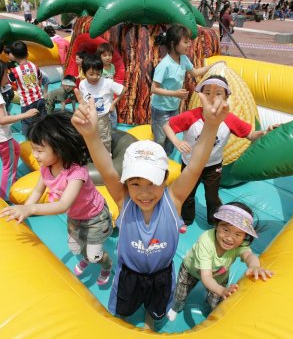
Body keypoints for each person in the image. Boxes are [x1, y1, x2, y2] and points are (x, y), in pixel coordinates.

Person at [71, 82, 229, 330]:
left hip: (161, 275)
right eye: (135, 183)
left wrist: (211, 127)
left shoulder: (173, 200)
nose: (144, 192)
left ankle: (149, 322)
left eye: (152, 183)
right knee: (123, 313)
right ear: (126, 184)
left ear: (165, 180)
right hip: (129, 275)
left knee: (154, 313)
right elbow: (106, 168)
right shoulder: (124, 200)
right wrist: (91, 135)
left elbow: (197, 165)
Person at [0, 112, 114, 285]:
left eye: (39, 150)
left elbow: (63, 204)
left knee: (95, 254)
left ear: (59, 148)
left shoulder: (76, 173)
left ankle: (106, 265)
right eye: (33, 149)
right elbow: (38, 191)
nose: (35, 155)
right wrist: (24, 210)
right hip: (76, 217)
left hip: (95, 217)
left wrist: (30, 209)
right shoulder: (46, 167)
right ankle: (87, 258)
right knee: (76, 247)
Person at [163, 75, 279, 227]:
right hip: (191, 164)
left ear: (226, 98)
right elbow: (167, 125)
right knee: (188, 194)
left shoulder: (229, 119)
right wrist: (177, 141)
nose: (212, 97)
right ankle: (186, 219)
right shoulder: (192, 116)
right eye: (207, 92)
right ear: (201, 96)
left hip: (213, 165)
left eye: (218, 93)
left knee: (212, 196)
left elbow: (250, 134)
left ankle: (214, 220)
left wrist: (265, 132)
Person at [167, 202, 273, 322]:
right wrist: (222, 290)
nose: (229, 238)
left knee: (217, 301)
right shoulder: (206, 241)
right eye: (226, 229)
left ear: (244, 236)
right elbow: (206, 276)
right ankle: (176, 306)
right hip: (191, 270)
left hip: (219, 277)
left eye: (238, 234)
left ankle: (213, 313)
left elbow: (249, 255)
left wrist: (255, 266)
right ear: (217, 225)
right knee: (181, 291)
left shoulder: (240, 244)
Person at [0, 57, 38, 200]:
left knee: (16, 150)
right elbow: (2, 120)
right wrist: (25, 115)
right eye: (4, 74)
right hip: (2, 138)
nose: (7, 77)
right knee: (7, 167)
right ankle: (6, 196)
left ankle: (11, 182)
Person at [151, 24, 216, 155]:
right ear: (173, 43)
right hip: (161, 109)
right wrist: (175, 94)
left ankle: (168, 160)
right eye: (185, 42)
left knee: (172, 135)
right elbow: (154, 89)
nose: (189, 45)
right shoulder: (165, 65)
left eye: (189, 41)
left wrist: (213, 66)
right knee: (160, 138)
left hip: (173, 107)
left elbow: (195, 72)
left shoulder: (184, 59)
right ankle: (157, 160)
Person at [78, 54, 124, 153]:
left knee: (104, 138)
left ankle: (107, 155)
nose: (95, 77)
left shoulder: (107, 83)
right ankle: (92, 155)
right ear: (84, 73)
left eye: (98, 74)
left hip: (102, 118)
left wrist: (113, 104)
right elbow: (83, 98)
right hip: (88, 117)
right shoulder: (82, 84)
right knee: (89, 137)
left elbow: (123, 90)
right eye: (91, 74)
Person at [6, 40, 46, 136]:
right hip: (40, 98)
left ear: (14, 56)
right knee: (43, 121)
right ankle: (44, 136)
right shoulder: (34, 66)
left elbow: (8, 82)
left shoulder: (15, 71)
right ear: (27, 53)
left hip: (27, 102)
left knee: (27, 122)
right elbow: (40, 79)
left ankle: (28, 142)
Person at [96, 42, 118, 128]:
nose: (108, 57)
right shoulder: (99, 68)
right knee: (102, 115)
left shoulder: (112, 66)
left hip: (110, 96)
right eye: (104, 55)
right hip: (101, 96)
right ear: (100, 56)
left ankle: (114, 130)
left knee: (113, 114)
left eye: (109, 55)